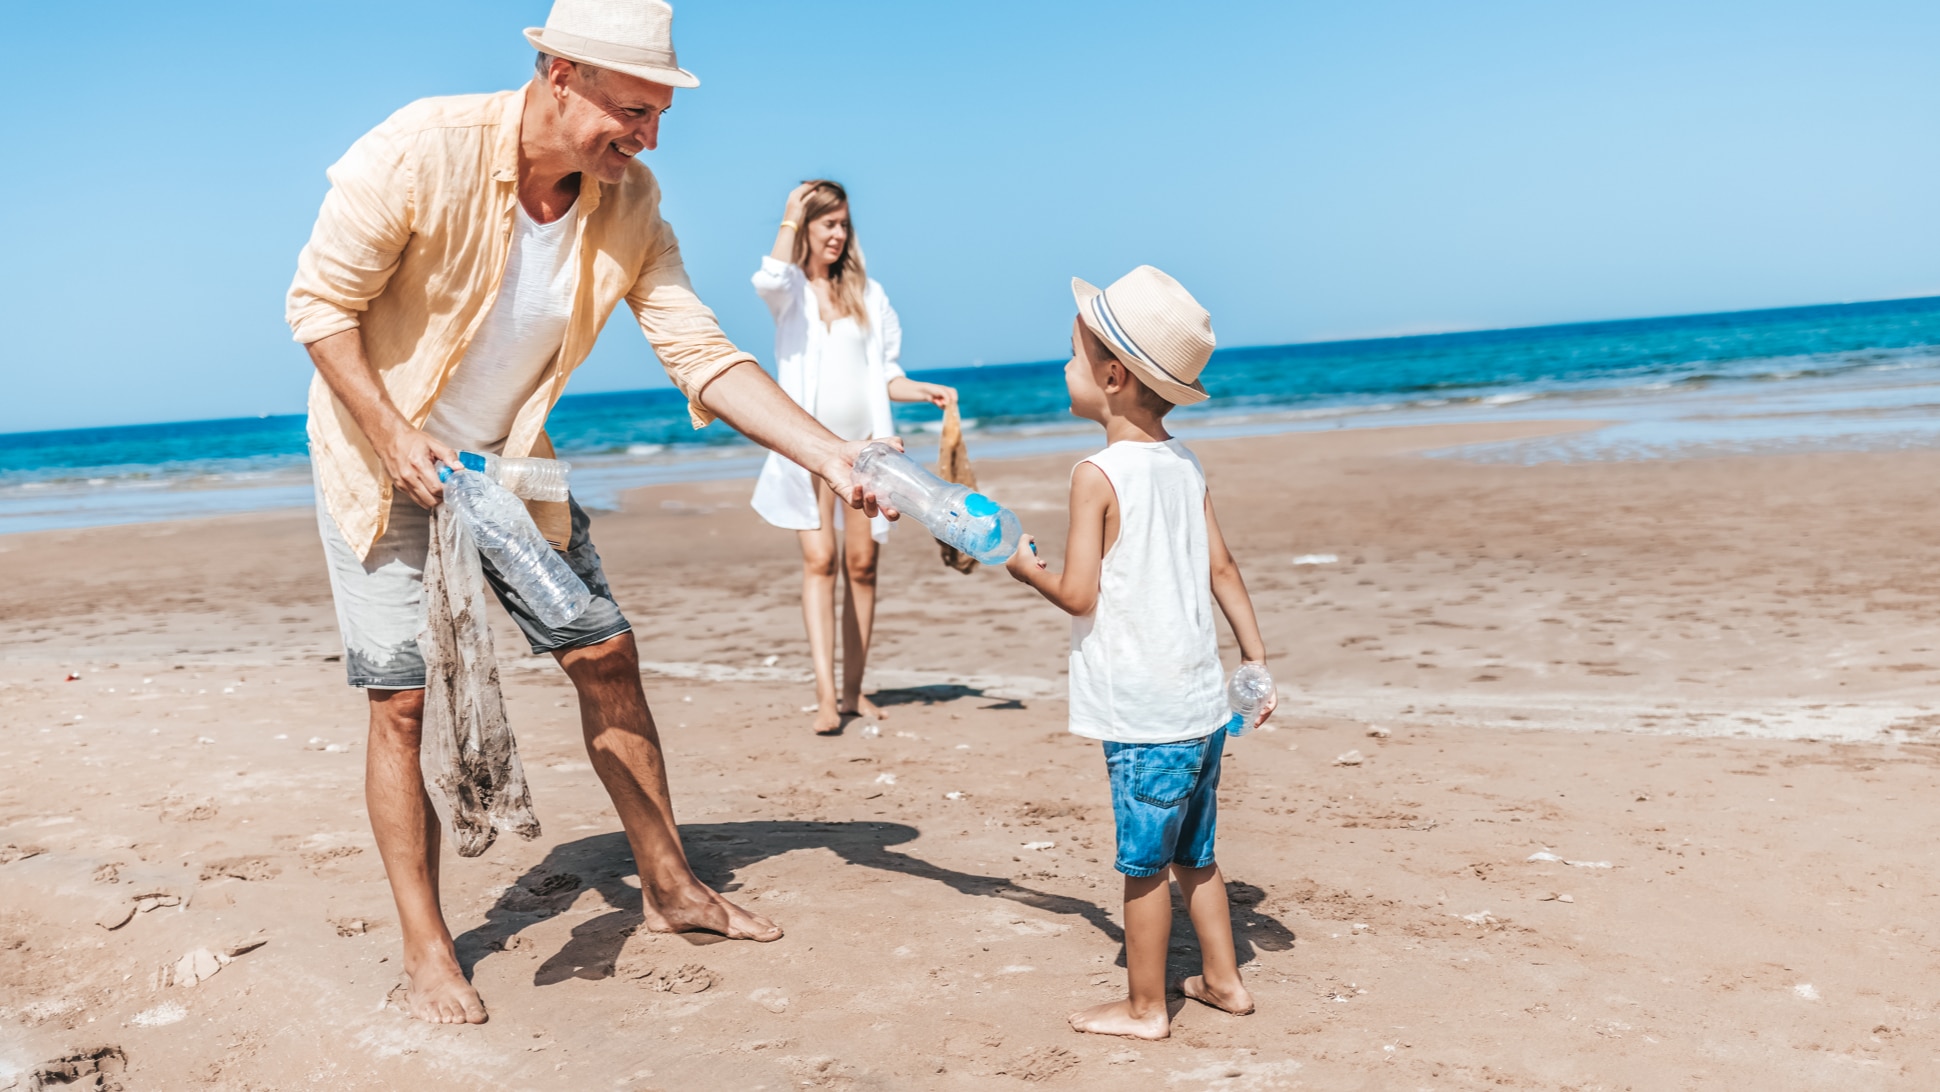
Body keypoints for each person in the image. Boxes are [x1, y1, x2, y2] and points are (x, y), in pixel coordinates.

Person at [285, 0, 895, 1026]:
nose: (648, 138)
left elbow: (698, 350)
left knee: (604, 651)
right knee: (399, 702)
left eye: (658, 117)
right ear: (559, 73)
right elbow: (317, 306)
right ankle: (427, 946)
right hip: (375, 456)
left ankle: (669, 887)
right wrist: (394, 433)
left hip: (509, 466)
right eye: (634, 111)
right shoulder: (418, 148)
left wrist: (829, 453)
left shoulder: (630, 201)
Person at [1003, 265, 1276, 1040]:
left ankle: (1146, 1006)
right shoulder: (1182, 463)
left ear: (1113, 377)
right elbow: (1223, 568)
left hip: (1143, 712)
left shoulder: (1095, 475)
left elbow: (1079, 594)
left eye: (1072, 353)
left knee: (1143, 865)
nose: (1063, 366)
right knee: (1199, 854)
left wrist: (1025, 566)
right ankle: (1223, 981)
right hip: (1199, 705)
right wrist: (1255, 664)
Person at [750, 181, 957, 734]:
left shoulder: (871, 295)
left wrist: (927, 392)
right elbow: (765, 277)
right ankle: (823, 695)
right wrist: (791, 211)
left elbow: (887, 374)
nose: (839, 234)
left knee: (862, 567)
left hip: (867, 452)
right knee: (820, 562)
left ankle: (852, 691)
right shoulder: (790, 290)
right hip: (808, 450)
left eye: (844, 224)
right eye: (828, 224)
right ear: (808, 228)